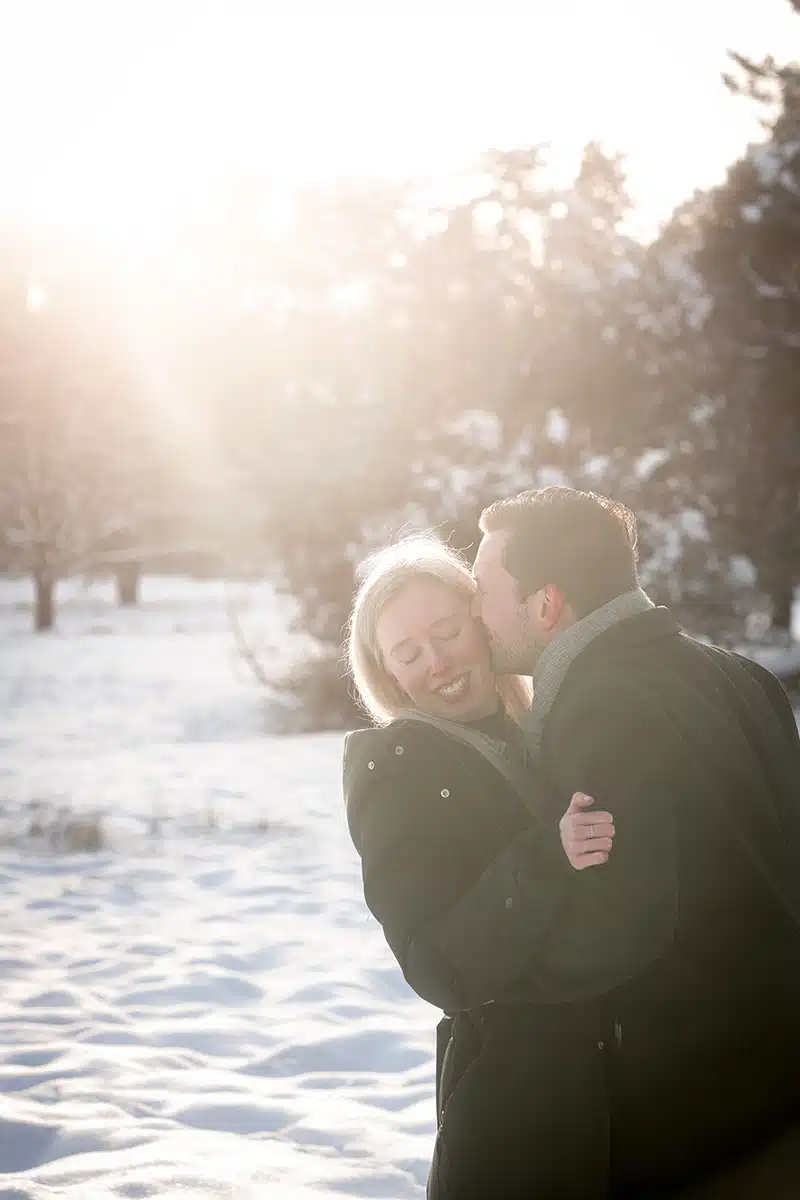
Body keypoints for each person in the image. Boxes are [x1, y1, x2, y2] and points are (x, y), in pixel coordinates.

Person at [471, 485, 800, 1196]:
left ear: (546, 604)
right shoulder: (742, 677)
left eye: (482, 590)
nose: (474, 613)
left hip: (688, 1109)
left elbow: (623, 918)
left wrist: (485, 976)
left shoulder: (600, 707)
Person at [343, 536, 617, 1198]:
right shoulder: (397, 770)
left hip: (620, 1095)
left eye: (447, 631)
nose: (436, 662)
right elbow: (437, 964)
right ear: (389, 676)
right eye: (409, 653)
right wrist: (545, 857)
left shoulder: (545, 728)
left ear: (482, 621)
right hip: (518, 1115)